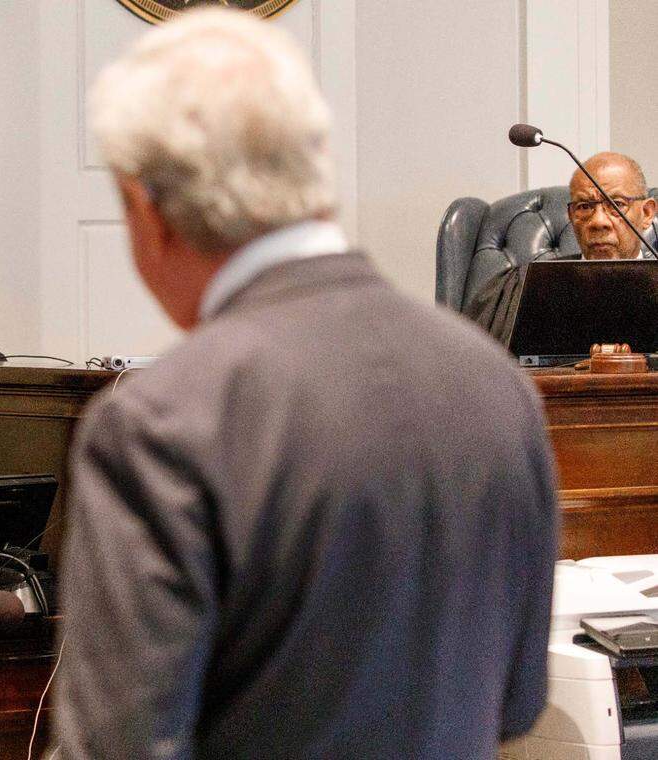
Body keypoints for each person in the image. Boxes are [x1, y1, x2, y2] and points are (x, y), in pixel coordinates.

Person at [55, 9, 558, 759]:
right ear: (312, 172)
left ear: (145, 210)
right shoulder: (495, 384)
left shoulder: (162, 423)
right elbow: (516, 706)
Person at [465, 151, 657, 342]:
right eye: (584, 206)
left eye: (616, 204)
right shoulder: (521, 288)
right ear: (571, 216)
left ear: (647, 213)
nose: (598, 221)